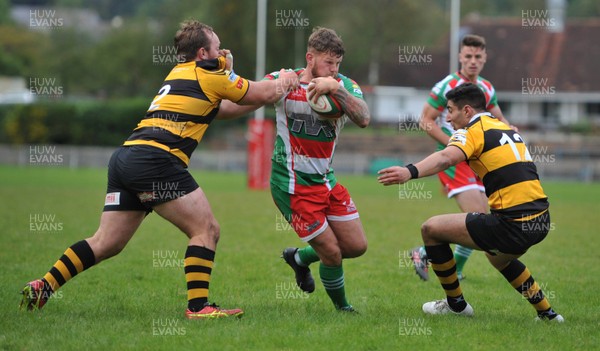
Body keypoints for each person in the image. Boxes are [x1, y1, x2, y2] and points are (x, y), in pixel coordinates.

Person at [20, 20, 299, 319]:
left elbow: (227, 107)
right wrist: (286, 79)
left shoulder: (181, 72)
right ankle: (198, 308)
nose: (223, 52)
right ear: (203, 51)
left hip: (127, 158)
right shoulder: (210, 72)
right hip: (156, 160)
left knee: (107, 242)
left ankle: (44, 285)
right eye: (218, 47)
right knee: (206, 229)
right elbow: (259, 93)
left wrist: (266, 89)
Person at [378, 83, 563, 322]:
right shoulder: (505, 128)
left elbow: (446, 157)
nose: (447, 117)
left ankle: (456, 305)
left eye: (451, 110)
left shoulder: (472, 130)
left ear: (467, 111)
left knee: (431, 229)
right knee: (497, 256)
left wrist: (409, 172)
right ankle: (547, 313)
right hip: (541, 220)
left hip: (513, 224)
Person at [268, 27, 371, 312]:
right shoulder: (285, 81)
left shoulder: (343, 85)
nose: (334, 69)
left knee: (356, 246)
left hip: (326, 181)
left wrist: (336, 88)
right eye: (328, 63)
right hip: (291, 185)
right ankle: (343, 309)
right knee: (332, 252)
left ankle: (299, 259)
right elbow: (248, 95)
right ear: (309, 58)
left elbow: (363, 117)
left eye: (338, 63)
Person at [412, 34, 514, 281]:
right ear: (460, 57)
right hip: (455, 163)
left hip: (479, 162)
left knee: (481, 218)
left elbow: (500, 120)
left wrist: (512, 138)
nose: (473, 61)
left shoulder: (487, 88)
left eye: (478, 57)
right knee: (479, 219)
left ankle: (454, 268)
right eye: (468, 56)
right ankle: (424, 251)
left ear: (484, 58)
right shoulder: (446, 85)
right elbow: (425, 120)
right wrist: (455, 148)